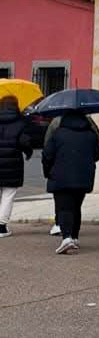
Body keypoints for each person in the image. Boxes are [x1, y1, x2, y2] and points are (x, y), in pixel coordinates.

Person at [43, 109, 99, 255]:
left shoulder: (58, 134)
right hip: (84, 176)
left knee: (64, 207)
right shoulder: (90, 134)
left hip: (61, 176)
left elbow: (47, 154)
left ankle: (66, 237)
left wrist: (48, 171)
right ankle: (75, 237)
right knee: (76, 206)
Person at [0, 96, 34, 239]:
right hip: (12, 163)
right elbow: (24, 142)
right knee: (8, 194)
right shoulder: (21, 122)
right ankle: (1, 226)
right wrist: (28, 152)